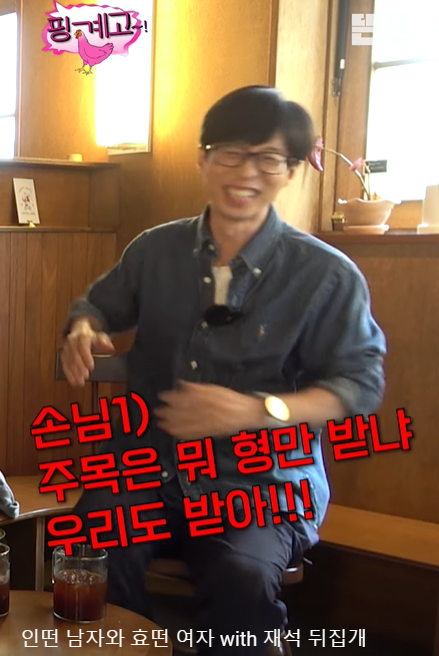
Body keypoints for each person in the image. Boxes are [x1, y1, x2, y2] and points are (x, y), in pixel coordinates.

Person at [61, 85, 386, 656]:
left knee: (243, 574)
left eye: (269, 158)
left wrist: (258, 411)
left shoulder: (326, 274)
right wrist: (83, 329)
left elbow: (359, 386)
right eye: (232, 153)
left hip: (260, 483)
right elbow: (96, 306)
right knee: (89, 548)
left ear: (292, 171)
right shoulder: (154, 250)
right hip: (149, 468)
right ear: (203, 158)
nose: (247, 172)